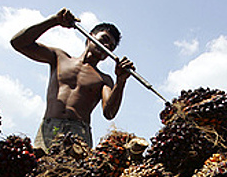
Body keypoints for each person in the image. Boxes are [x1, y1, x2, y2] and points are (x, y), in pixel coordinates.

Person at [10, 8, 134, 151]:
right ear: (90, 37)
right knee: (41, 170)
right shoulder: (60, 58)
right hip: (52, 127)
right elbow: (18, 43)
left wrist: (121, 81)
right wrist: (54, 21)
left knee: (75, 173)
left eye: (111, 47)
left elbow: (109, 113)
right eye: (104, 40)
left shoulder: (104, 79)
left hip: (78, 134)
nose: (106, 46)